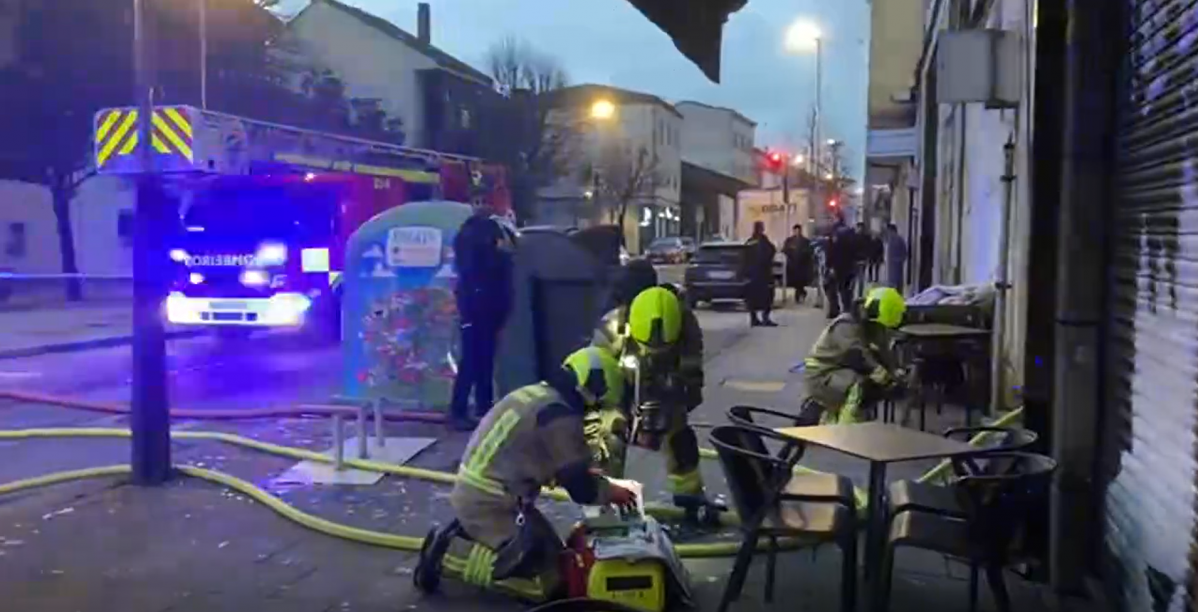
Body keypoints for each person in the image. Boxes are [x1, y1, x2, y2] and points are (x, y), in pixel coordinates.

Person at [415, 346, 639, 598]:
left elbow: (529, 453)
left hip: (488, 494)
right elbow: (581, 488)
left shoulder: (538, 395)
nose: (594, 411)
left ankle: (472, 534)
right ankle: (448, 556)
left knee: (557, 553)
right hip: (492, 503)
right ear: (594, 387)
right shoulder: (559, 415)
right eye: (599, 403)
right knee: (548, 585)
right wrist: (611, 491)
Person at [591, 285, 716, 523]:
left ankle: (689, 498)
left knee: (680, 440)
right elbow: (597, 375)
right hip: (621, 382)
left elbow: (692, 371)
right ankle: (604, 500)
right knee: (609, 437)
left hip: (668, 384)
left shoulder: (686, 324)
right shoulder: (611, 328)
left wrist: (677, 404)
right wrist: (621, 411)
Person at [449, 205, 515, 431]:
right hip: (484, 308)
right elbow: (498, 267)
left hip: (474, 307)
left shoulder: (467, 241)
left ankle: (473, 409)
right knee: (479, 361)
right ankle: (475, 408)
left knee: (474, 360)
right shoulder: (486, 248)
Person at [801, 287, 908, 425]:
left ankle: (833, 416)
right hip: (821, 375)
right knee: (860, 385)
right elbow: (857, 356)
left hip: (839, 371)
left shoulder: (872, 324)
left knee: (872, 386)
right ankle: (847, 430)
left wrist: (895, 373)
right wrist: (884, 378)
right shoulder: (846, 325)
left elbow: (882, 352)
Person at [822, 215, 858, 319]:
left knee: (830, 287)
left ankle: (835, 310)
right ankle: (847, 310)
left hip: (837, 267)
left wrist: (829, 266)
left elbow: (832, 251)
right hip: (849, 267)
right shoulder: (851, 233)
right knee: (846, 290)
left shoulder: (835, 233)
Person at [742, 221, 778, 327]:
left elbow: (744, 257)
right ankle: (764, 318)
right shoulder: (763, 241)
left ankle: (754, 318)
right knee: (767, 297)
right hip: (763, 274)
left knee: (753, 298)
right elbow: (771, 252)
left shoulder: (750, 241)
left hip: (753, 275)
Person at [781, 224, 814, 304]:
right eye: (796, 230)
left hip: (802, 265)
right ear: (794, 231)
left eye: (799, 230)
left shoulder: (806, 241)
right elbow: (784, 250)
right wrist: (789, 253)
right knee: (795, 282)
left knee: (800, 281)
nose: (797, 232)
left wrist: (804, 254)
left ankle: (799, 294)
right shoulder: (789, 240)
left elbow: (810, 251)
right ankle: (801, 292)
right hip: (792, 264)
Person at [884, 223, 909, 293]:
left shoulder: (899, 239)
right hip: (891, 267)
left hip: (896, 267)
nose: (888, 233)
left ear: (892, 230)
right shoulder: (889, 240)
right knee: (892, 285)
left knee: (896, 285)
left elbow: (904, 253)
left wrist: (898, 260)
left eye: (888, 231)